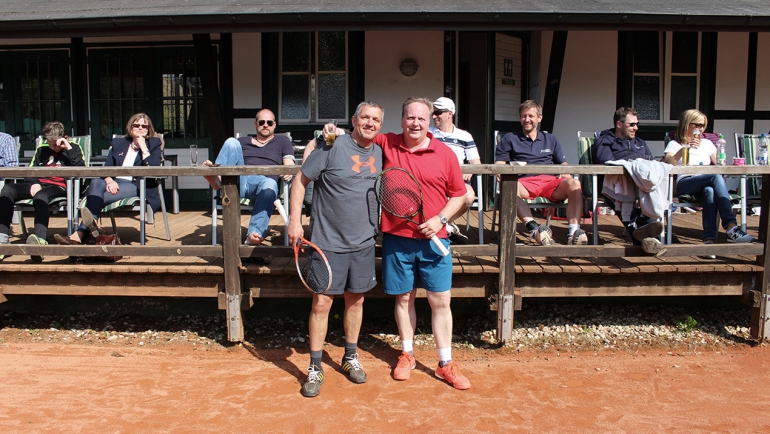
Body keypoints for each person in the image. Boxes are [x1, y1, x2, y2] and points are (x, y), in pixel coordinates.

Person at [288, 102, 384, 398]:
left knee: (356, 301)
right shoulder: (332, 147)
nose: (370, 123)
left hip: (364, 242)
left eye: (376, 120)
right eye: (365, 117)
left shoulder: (379, 153)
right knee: (321, 304)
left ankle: (349, 356)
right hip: (328, 241)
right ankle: (315, 366)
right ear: (354, 120)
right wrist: (294, 221)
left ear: (380, 124)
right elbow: (300, 181)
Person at [374, 97, 471, 390]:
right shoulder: (386, 143)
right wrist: (329, 132)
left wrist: (441, 220)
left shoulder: (444, 153)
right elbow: (359, 133)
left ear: (429, 121)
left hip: (434, 239)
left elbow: (460, 195)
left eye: (421, 118)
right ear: (402, 120)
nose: (415, 123)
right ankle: (407, 354)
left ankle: (445, 363)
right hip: (397, 239)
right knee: (404, 298)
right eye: (409, 118)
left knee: (440, 301)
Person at [54, 113, 163, 245]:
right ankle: (90, 228)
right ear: (131, 126)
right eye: (136, 125)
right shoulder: (119, 143)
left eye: (144, 126)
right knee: (96, 182)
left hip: (137, 185)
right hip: (115, 183)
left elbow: (154, 168)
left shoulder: (153, 143)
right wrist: (109, 180)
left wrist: (144, 148)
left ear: (148, 129)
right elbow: (107, 168)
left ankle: (80, 232)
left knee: (92, 200)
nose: (140, 128)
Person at [494, 100, 587, 246]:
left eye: (531, 116)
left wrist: (568, 176)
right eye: (524, 116)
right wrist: (499, 171)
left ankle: (574, 233)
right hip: (523, 183)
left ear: (539, 118)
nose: (527, 120)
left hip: (550, 183)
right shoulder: (510, 138)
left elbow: (563, 164)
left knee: (575, 183)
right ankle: (534, 229)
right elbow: (499, 164)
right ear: (520, 118)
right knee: (508, 187)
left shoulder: (551, 139)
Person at [202, 109, 295, 246]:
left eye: (269, 122)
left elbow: (289, 165)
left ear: (274, 125)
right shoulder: (242, 141)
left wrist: (288, 171)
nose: (265, 125)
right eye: (262, 122)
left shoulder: (282, 141)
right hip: (239, 180)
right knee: (231, 141)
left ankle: (254, 234)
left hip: (265, 182)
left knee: (269, 184)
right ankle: (217, 180)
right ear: (255, 123)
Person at [662, 109, 753, 246]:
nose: (700, 129)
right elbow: (667, 163)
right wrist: (684, 148)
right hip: (686, 183)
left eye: (703, 126)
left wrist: (725, 158)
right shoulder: (675, 144)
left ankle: (709, 240)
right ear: (686, 124)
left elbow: (720, 164)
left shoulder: (707, 144)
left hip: (706, 182)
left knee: (709, 191)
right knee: (715, 178)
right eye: (697, 125)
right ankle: (730, 226)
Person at [0, 121, 85, 261]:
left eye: (55, 143)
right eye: (49, 143)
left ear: (65, 137)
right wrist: (34, 182)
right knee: (8, 189)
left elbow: (81, 170)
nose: (52, 147)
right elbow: (30, 170)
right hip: (40, 184)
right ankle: (2, 239)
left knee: (40, 196)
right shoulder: (42, 150)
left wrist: (67, 148)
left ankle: (39, 240)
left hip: (61, 186)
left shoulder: (73, 148)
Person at [594, 107, 664, 244]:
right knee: (623, 192)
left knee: (653, 186)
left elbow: (650, 163)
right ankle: (646, 234)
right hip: (614, 185)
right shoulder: (605, 140)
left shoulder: (640, 143)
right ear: (619, 124)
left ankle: (646, 235)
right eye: (632, 124)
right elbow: (606, 162)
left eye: (637, 124)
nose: (636, 128)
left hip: (639, 183)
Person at [429, 97, 480, 245]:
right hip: (432, 180)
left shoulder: (464, 136)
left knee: (469, 195)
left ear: (450, 113)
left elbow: (476, 161)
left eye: (438, 113)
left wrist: (470, 170)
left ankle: (443, 223)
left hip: (456, 180)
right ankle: (447, 227)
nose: (434, 116)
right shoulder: (428, 134)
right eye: (433, 112)